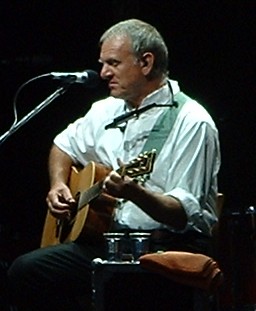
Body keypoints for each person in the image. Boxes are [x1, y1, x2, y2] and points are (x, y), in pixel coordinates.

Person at [7, 19, 221, 311]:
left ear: (146, 63)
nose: (103, 73)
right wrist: (58, 184)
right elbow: (63, 145)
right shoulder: (105, 110)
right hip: (110, 245)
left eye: (113, 63)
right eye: (102, 63)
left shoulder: (192, 121)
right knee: (25, 271)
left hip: (166, 248)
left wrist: (135, 193)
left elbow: (183, 214)